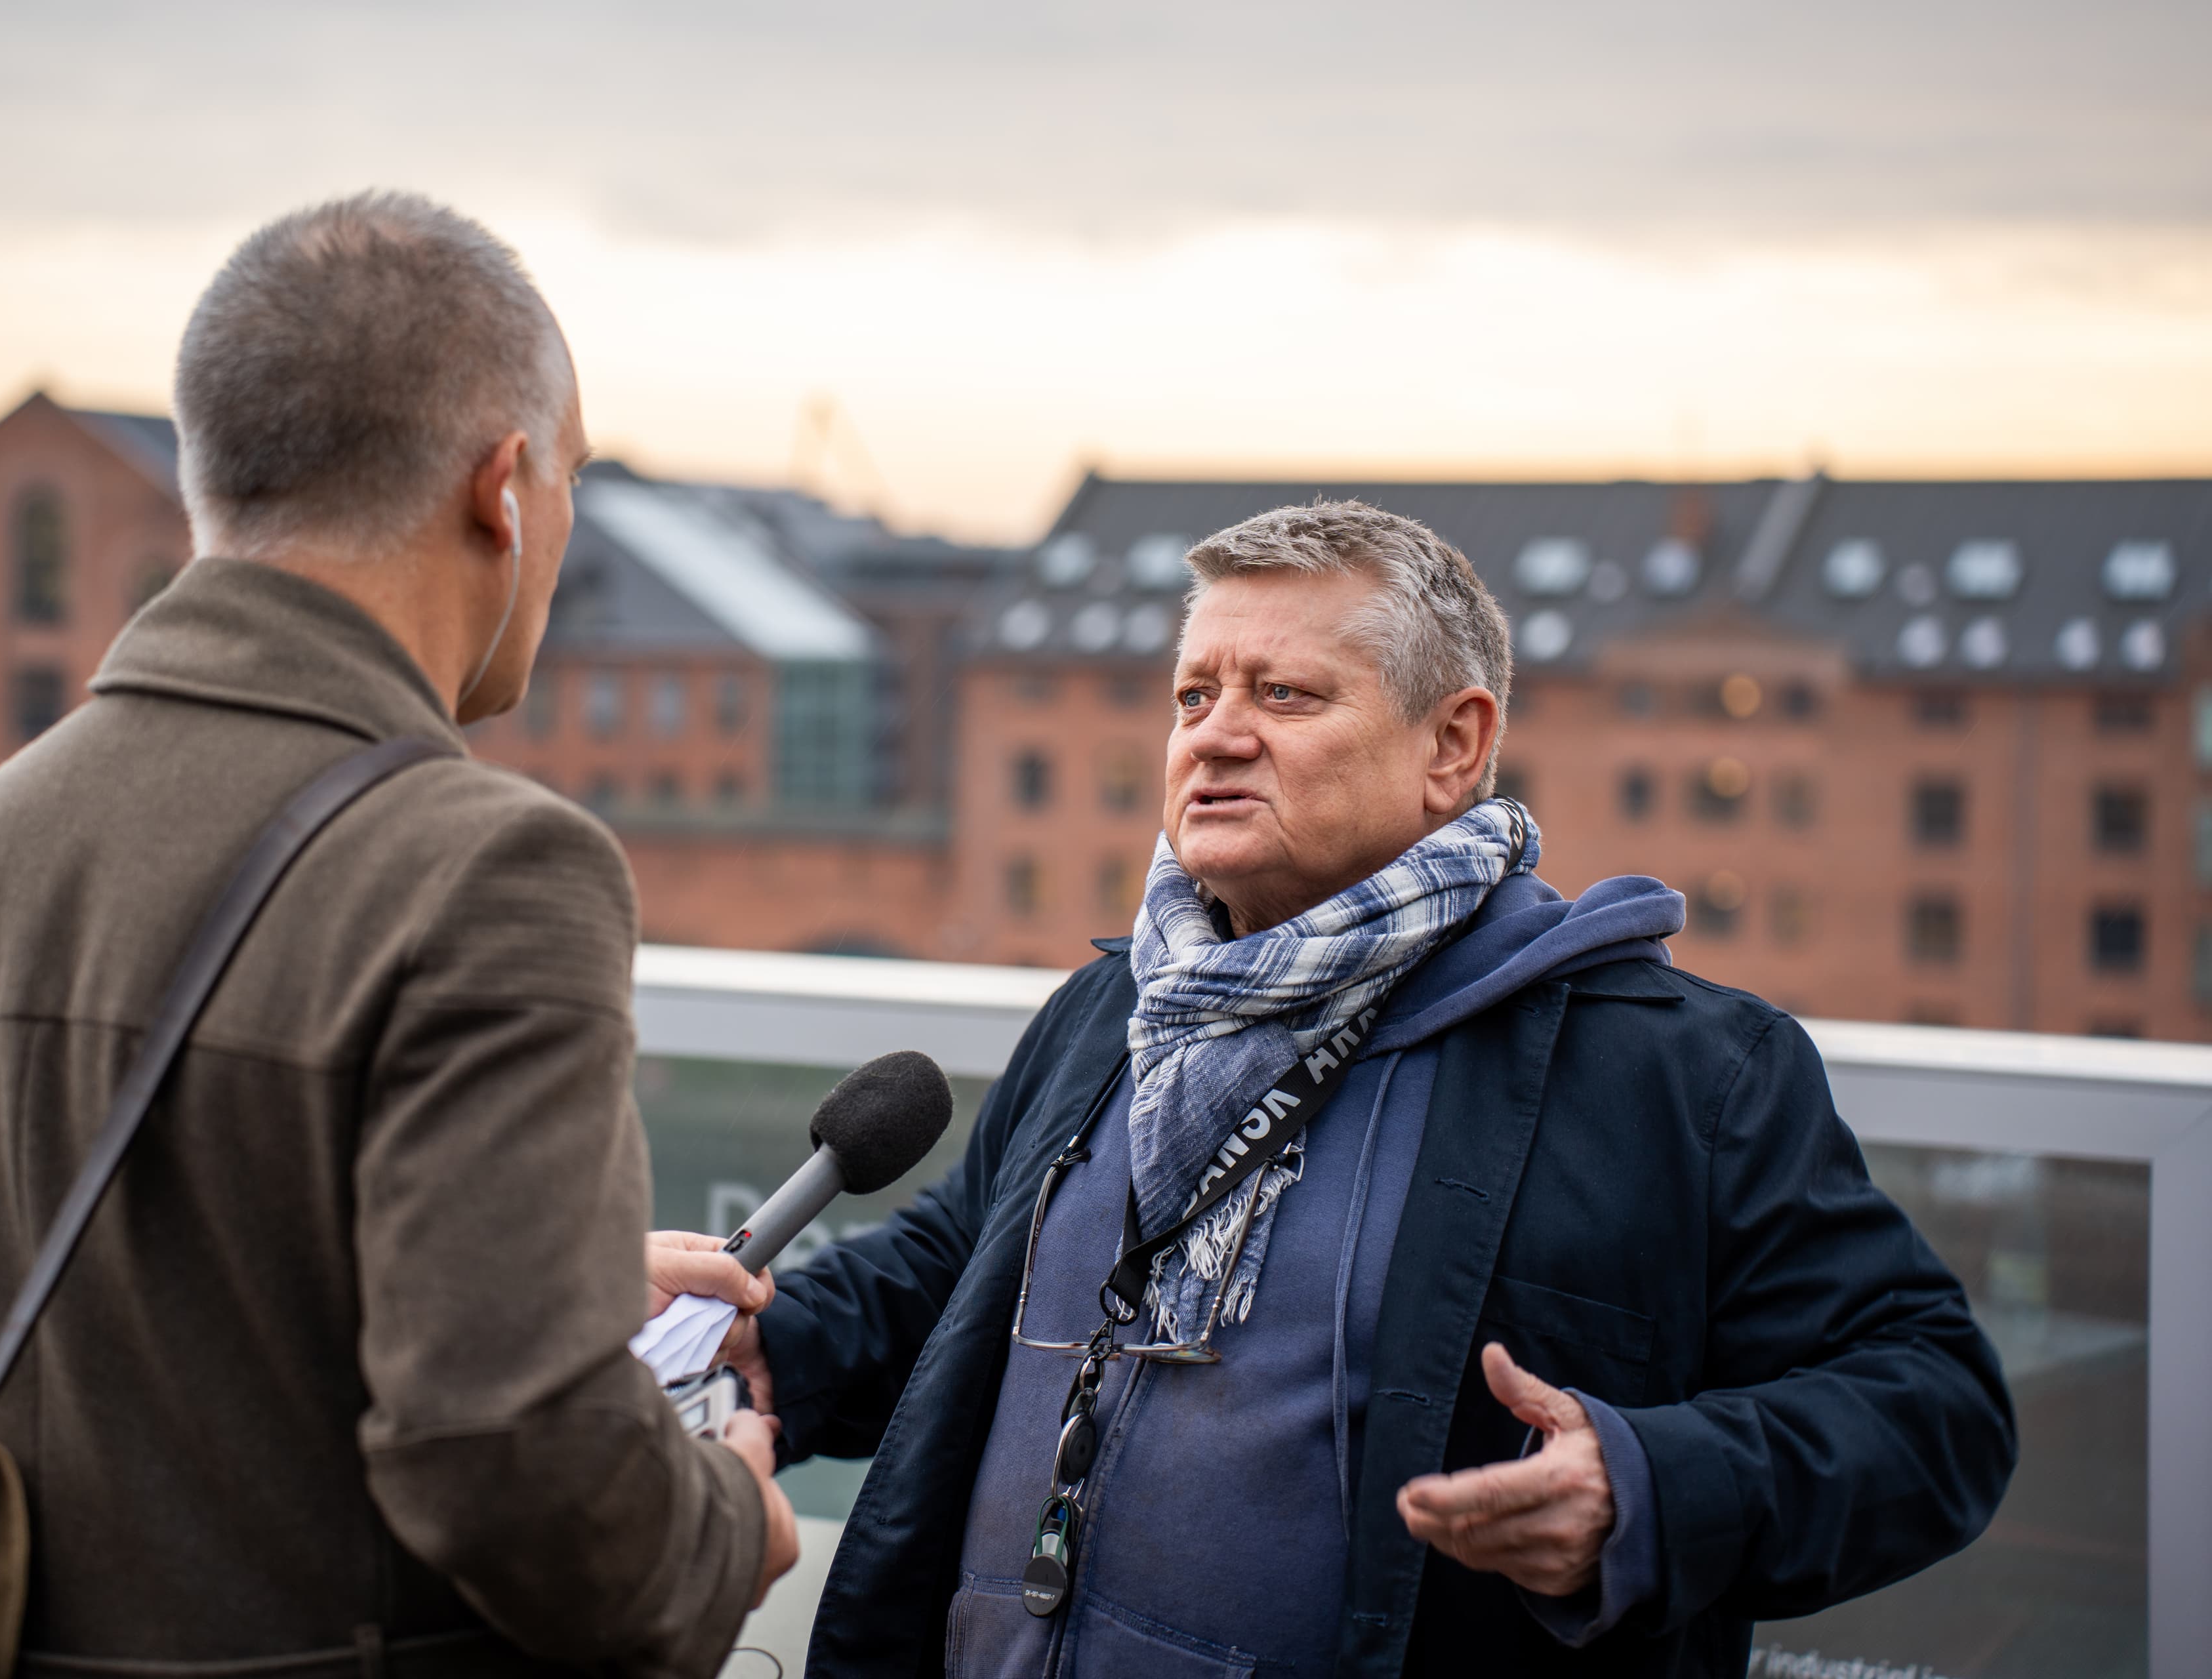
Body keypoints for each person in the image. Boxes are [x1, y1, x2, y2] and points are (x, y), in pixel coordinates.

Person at [661, 502, 2015, 1676]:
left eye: (1285, 695)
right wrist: (764, 1331)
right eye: (1196, 695)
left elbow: (1932, 1402)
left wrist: (1648, 1487)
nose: (1217, 735)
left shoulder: (1676, 1070)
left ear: (1454, 745)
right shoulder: (1120, 1003)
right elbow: (966, 1266)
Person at [0, 192, 793, 1679]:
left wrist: (533, 1268)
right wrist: (724, 1525)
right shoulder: (494, 866)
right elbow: (513, 1456)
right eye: (569, 480)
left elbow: (147, 1296)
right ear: (504, 487)